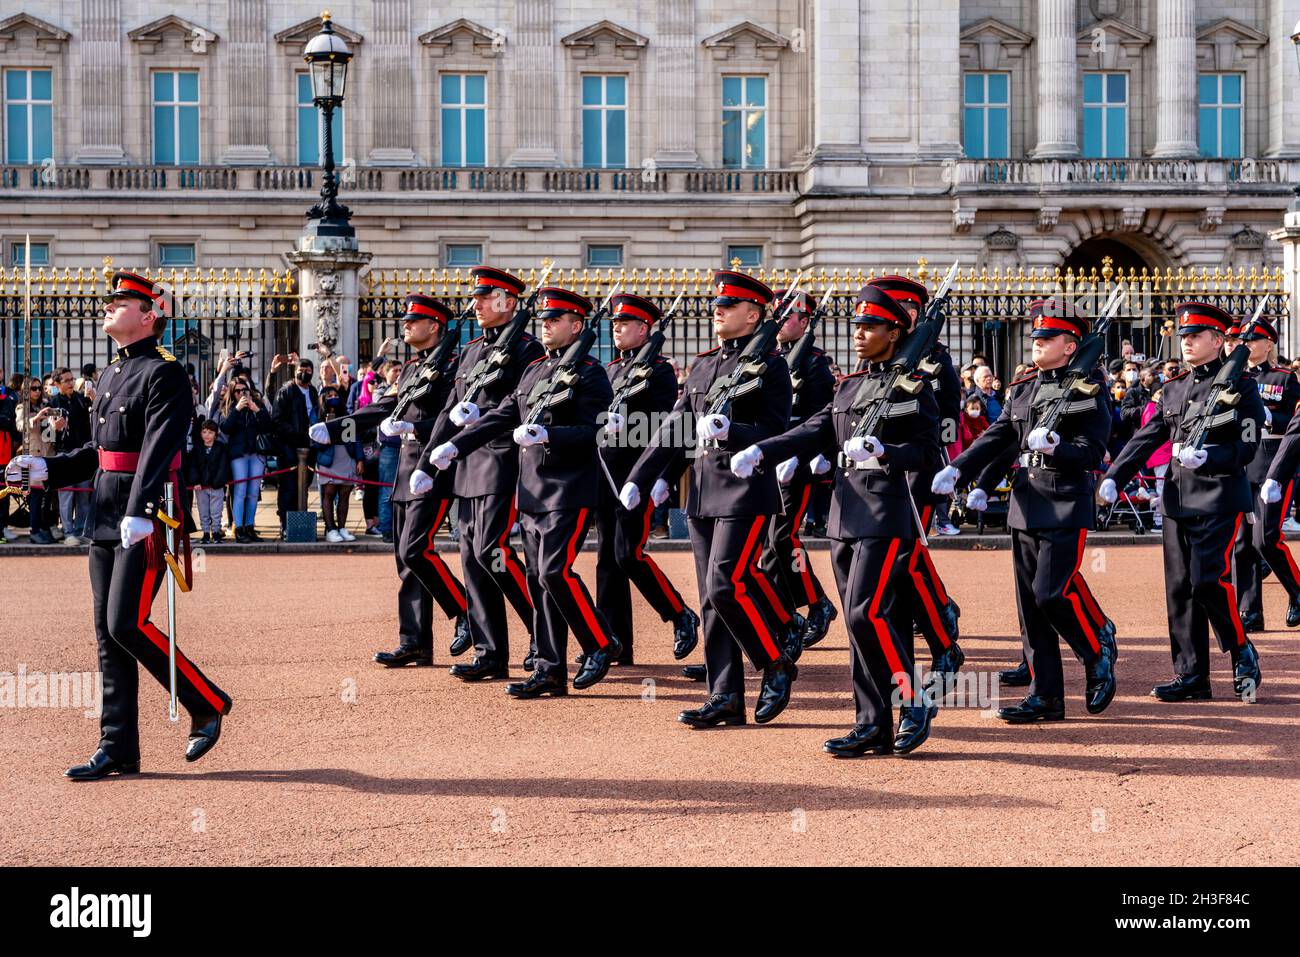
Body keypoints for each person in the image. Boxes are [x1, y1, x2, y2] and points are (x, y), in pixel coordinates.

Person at [8, 270, 231, 779]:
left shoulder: (166, 372)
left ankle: (207, 702)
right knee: (107, 635)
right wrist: (48, 469)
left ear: (149, 313)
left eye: (121, 300)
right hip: (106, 513)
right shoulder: (109, 375)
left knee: (125, 623)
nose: (109, 306)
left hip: (148, 515)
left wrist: (139, 510)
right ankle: (118, 746)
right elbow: (98, 451)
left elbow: (159, 449)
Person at [733, 284, 940, 754]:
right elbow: (814, 429)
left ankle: (913, 700)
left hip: (886, 516)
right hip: (845, 515)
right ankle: (872, 723)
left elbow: (928, 452)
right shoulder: (849, 386)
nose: (861, 334)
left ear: (896, 331)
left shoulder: (913, 387)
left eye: (871, 327)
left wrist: (886, 450)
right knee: (858, 620)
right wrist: (762, 450)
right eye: (858, 326)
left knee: (870, 611)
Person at [623, 269, 798, 728]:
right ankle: (724, 696)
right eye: (717, 305)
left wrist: (732, 430)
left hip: (745, 487)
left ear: (754, 314)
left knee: (726, 585)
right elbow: (675, 426)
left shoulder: (772, 365)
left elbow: (777, 432)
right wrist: (643, 477)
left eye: (728, 306)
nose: (716, 311)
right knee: (709, 598)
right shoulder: (703, 365)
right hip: (702, 490)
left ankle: (775, 662)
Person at [424, 285, 619, 695]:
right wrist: (453, 446)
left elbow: (594, 430)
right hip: (532, 489)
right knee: (537, 580)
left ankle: (600, 642)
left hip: (570, 487)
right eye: (544, 320)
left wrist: (549, 433)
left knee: (554, 572)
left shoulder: (591, 373)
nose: (546, 326)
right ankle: (549, 669)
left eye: (555, 320)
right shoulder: (534, 372)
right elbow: (502, 415)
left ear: (577, 326)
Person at [934, 298, 1117, 723]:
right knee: (1030, 607)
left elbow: (1092, 451)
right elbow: (999, 438)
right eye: (1035, 337)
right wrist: (960, 470)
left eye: (1048, 337)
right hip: (1026, 502)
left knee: (1051, 593)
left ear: (1071, 345)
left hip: (1066, 501)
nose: (1037, 343)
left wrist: (1060, 447)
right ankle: (1046, 696)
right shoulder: (1025, 388)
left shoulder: (1089, 389)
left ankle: (1094, 651)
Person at [1102, 301, 1265, 703]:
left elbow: (1247, 446)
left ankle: (1240, 646)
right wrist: (1114, 476)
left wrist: (1211, 456)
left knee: (1208, 580)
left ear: (1217, 341)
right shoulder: (1173, 388)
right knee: (1180, 589)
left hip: (1218, 497)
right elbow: (1147, 437)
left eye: (1196, 336)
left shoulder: (1241, 387)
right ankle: (1191, 675)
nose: (1187, 342)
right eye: (1184, 337)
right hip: (1177, 499)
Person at [313, 294, 470, 667]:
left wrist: (414, 426)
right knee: (405, 559)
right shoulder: (415, 368)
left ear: (434, 326)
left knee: (417, 549)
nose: (405, 325)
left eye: (413, 320)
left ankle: (466, 611)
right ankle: (414, 640)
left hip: (433, 469)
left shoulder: (452, 366)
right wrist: (335, 429)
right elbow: (386, 408)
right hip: (404, 467)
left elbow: (455, 419)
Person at [420, 267, 541, 675]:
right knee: (472, 557)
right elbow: (448, 412)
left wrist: (478, 418)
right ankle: (490, 653)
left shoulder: (528, 349)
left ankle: (540, 632)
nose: (476, 305)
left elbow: (518, 406)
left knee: (495, 552)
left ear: (508, 302)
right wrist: (429, 461)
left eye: (484, 298)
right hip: (468, 465)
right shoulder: (471, 351)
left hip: (502, 460)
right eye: (476, 298)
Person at [867, 275, 965, 675]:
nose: (902, 315)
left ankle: (941, 636)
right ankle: (939, 606)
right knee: (902, 564)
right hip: (880, 474)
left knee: (907, 561)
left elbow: (946, 422)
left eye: (907, 309)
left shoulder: (935, 359)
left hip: (919, 471)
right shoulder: (876, 359)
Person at [595, 293, 699, 668]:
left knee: (628, 554)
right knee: (608, 561)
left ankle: (678, 613)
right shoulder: (611, 371)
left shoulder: (659, 370)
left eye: (624, 324)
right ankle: (614, 643)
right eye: (615, 323)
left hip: (635, 480)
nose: (617, 328)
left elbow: (667, 428)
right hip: (607, 477)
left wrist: (658, 477)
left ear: (644, 329)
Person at [759, 288, 837, 655]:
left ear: (805, 323)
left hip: (798, 463)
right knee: (767, 544)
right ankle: (782, 614)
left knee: (782, 537)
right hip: (769, 458)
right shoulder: (768, 357)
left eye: (788, 317)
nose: (780, 323)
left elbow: (821, 417)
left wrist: (810, 455)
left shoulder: (815, 362)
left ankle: (817, 601)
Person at [1238, 319, 1300, 630]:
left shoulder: (1285, 378)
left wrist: (1268, 414)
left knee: (1266, 538)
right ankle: (1251, 612)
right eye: (1243, 339)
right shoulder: (1235, 377)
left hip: (1273, 463)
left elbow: (1294, 421)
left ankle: (1297, 590)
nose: (1247, 343)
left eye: (1254, 339)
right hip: (1242, 465)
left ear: (1269, 343)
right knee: (1242, 543)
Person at [217, 375, 273, 542]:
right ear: (232, 393)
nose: (242, 394)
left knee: (254, 492)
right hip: (238, 454)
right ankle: (239, 528)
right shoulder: (229, 407)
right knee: (240, 492)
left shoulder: (257, 405)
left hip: (256, 453)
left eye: (244, 390)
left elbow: (268, 426)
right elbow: (225, 428)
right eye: (238, 391)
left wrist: (257, 411)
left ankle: (250, 527)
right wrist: (237, 410)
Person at [271, 356, 322, 539]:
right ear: (295, 370)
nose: (305, 373)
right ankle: (285, 525)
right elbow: (276, 420)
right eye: (302, 369)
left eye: (309, 370)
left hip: (309, 448)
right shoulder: (286, 391)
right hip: (289, 448)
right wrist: (298, 434)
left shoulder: (314, 391)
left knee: (304, 486)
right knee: (288, 488)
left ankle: (299, 524)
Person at [50, 367, 92, 544]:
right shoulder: (53, 402)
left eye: (72, 379)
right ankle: (68, 532)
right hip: (64, 453)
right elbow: (49, 431)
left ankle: (81, 529)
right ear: (57, 384)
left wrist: (93, 398)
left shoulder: (81, 399)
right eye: (66, 380)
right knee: (66, 496)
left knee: (83, 494)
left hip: (82, 451)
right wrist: (55, 427)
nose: (71, 383)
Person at [313, 385, 359, 543]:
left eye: (336, 395)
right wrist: (328, 430)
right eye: (330, 395)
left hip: (346, 456)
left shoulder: (347, 416)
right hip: (329, 458)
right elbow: (315, 441)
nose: (334, 397)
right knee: (329, 493)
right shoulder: (317, 414)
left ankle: (342, 528)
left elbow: (354, 438)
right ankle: (330, 529)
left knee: (345, 493)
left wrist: (359, 459)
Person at [16, 376, 57, 544]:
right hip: (33, 455)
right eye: (34, 388)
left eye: (39, 388)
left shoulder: (46, 404)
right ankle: (34, 530)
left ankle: (44, 527)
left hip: (48, 454)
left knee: (47, 495)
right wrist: (36, 418)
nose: (38, 391)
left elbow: (51, 432)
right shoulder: (22, 407)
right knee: (36, 496)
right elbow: (20, 426)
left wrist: (57, 425)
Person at [189, 420, 232, 544]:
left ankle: (216, 532)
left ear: (216, 434)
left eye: (210, 432)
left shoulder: (221, 448)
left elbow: (223, 466)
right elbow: (193, 466)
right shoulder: (197, 448)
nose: (207, 435)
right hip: (201, 487)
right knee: (203, 510)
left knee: (216, 510)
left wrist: (218, 482)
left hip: (216, 486)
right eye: (204, 432)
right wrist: (196, 481)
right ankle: (206, 533)